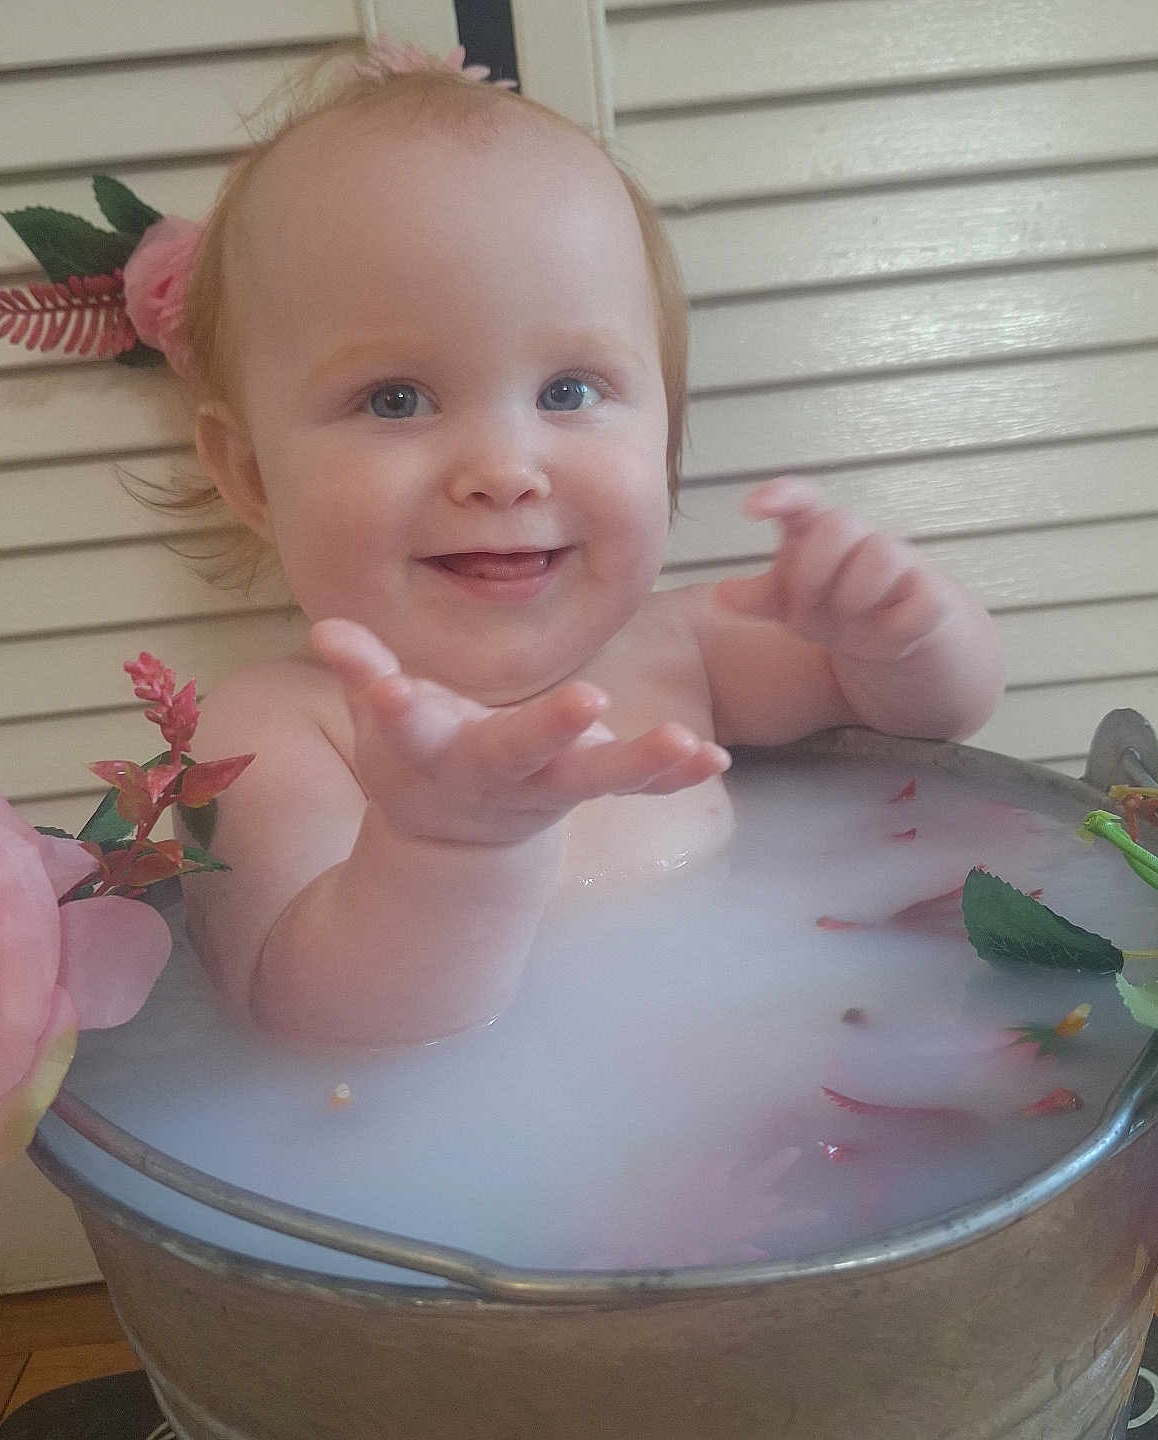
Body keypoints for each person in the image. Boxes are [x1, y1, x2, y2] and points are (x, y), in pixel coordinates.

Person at [151, 44, 1004, 1046]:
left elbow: (931, 719)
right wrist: (447, 852)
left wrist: (899, 632)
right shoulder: (276, 731)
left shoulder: (677, 650)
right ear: (250, 472)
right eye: (395, 399)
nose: (504, 469)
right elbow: (310, 1027)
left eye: (568, 392)